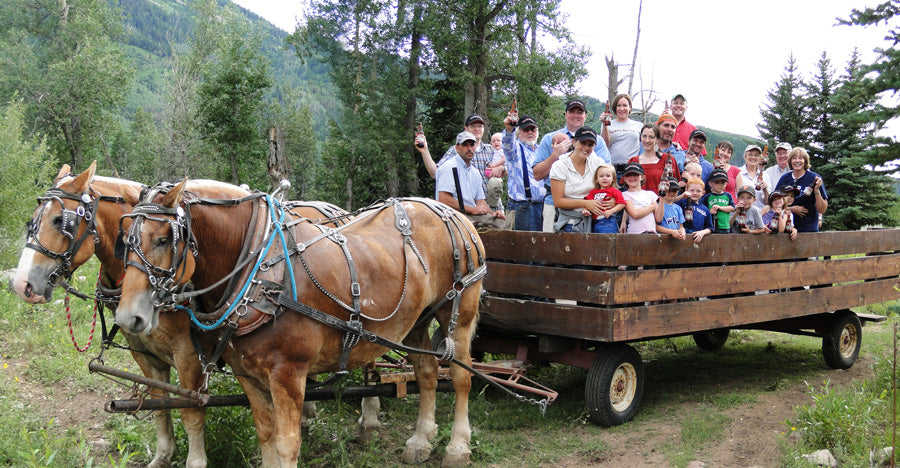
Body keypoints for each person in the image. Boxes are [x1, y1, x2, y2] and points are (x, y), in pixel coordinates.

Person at [533, 99, 613, 232]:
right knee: (551, 245)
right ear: (565, 114)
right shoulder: (549, 138)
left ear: (585, 116)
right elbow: (537, 175)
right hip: (555, 199)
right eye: (572, 111)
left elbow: (607, 174)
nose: (576, 115)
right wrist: (555, 155)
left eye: (580, 112)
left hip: (591, 203)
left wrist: (610, 199)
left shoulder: (598, 140)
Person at [416, 114, 506, 209]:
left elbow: (511, 168)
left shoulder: (492, 149)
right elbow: (435, 173)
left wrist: (502, 168)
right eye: (473, 126)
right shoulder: (455, 150)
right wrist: (425, 151)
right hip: (465, 208)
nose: (477, 129)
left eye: (480, 126)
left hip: (491, 206)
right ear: (466, 128)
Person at [434, 131, 506, 229]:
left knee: (501, 223)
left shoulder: (475, 172)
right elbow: (443, 199)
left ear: (475, 147)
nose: (469, 149)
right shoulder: (448, 167)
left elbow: (480, 201)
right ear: (457, 148)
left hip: (470, 216)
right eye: (465, 145)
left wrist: (493, 213)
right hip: (451, 215)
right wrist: (472, 210)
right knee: (494, 229)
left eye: (472, 145)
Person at [548, 126, 606, 232]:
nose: (586, 148)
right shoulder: (560, 166)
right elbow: (558, 201)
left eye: (590, 145)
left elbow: (607, 187)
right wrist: (585, 203)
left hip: (597, 219)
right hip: (570, 221)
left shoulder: (598, 162)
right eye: (583, 143)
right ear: (574, 142)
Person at [502, 115, 544, 231]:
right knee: (522, 247)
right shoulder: (515, 150)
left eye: (533, 129)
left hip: (543, 207)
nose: (530, 132)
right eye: (526, 130)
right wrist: (509, 129)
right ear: (519, 132)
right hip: (522, 207)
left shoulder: (542, 150)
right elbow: (507, 143)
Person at [775, 147, 828, 232]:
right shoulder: (784, 179)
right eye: (794, 158)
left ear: (805, 161)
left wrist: (817, 191)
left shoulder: (814, 178)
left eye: (800, 158)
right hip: (786, 230)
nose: (797, 161)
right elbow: (774, 204)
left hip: (809, 229)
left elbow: (822, 209)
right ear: (790, 161)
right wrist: (791, 209)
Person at [628, 123, 681, 195]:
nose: (647, 140)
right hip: (639, 204)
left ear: (657, 139)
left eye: (651, 137)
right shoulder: (633, 161)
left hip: (662, 203)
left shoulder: (668, 160)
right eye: (644, 136)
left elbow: (675, 185)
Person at [600, 93, 644, 175]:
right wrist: (604, 124)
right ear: (615, 108)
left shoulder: (639, 125)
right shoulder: (608, 124)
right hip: (612, 170)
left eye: (625, 105)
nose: (622, 108)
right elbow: (605, 145)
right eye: (618, 106)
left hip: (632, 170)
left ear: (630, 107)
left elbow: (648, 143)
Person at [583, 164, 626, 233]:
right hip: (595, 221)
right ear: (597, 179)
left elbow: (622, 204)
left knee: (607, 241)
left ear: (613, 179)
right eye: (601, 176)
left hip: (608, 220)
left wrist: (611, 211)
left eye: (608, 176)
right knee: (597, 241)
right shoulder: (593, 192)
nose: (604, 178)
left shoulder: (614, 191)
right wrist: (585, 209)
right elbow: (587, 202)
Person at [619, 163, 659, 234]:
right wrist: (652, 207)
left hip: (651, 233)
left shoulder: (650, 194)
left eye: (635, 174)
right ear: (624, 179)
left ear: (642, 177)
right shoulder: (624, 195)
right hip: (635, 234)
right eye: (628, 175)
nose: (632, 177)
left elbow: (658, 218)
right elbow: (635, 214)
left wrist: (662, 198)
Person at [677, 177, 714, 243]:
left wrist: (702, 232)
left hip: (697, 239)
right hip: (681, 238)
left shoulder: (705, 209)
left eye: (698, 191)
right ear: (686, 190)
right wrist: (682, 196)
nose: (695, 193)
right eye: (692, 190)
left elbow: (710, 228)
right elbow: (671, 202)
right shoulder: (681, 203)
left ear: (703, 193)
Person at [737, 144, 771, 213]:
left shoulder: (765, 175)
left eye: (756, 155)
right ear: (745, 157)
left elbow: (768, 203)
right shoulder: (738, 172)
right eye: (750, 155)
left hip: (761, 214)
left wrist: (765, 190)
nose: (753, 157)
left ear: (760, 158)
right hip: (742, 213)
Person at [701, 168, 735, 234]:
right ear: (710, 183)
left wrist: (720, 208)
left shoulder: (728, 196)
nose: (720, 185)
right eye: (717, 182)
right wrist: (710, 211)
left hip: (725, 226)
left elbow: (732, 208)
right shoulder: (707, 197)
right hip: (712, 226)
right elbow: (703, 211)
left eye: (723, 182)